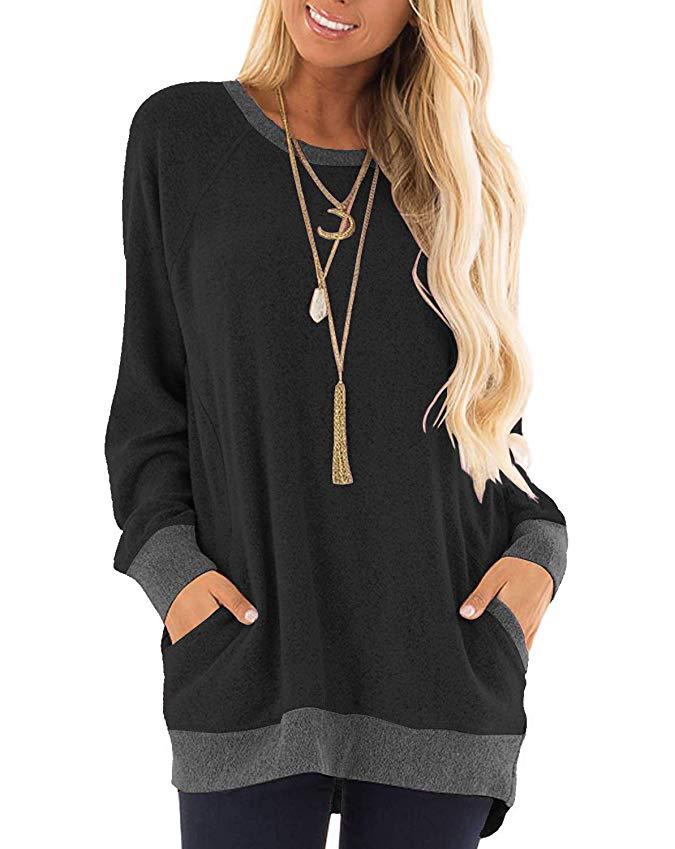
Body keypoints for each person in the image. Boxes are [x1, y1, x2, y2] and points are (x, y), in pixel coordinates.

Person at [105, 2, 567, 846]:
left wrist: (537, 547)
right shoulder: (182, 134)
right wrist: (173, 573)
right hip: (247, 655)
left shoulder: (459, 177)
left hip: (441, 661)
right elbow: (150, 395)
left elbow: (486, 419)